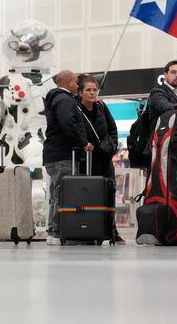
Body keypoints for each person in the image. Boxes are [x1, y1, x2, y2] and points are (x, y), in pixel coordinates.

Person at [43, 70, 93, 246]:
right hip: (63, 154)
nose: (77, 86)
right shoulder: (64, 100)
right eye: (75, 82)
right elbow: (69, 124)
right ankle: (56, 232)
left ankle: (52, 231)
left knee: (56, 193)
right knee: (62, 194)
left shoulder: (54, 99)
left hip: (53, 155)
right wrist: (83, 142)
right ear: (69, 81)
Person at [76, 74, 125, 244]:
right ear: (80, 92)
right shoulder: (76, 109)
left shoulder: (102, 107)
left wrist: (111, 146)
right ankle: (90, 229)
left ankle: (112, 230)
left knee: (109, 194)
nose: (92, 93)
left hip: (104, 158)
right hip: (87, 161)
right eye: (88, 90)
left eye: (94, 90)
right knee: (90, 196)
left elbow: (112, 129)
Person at [147, 60, 177, 127]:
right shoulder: (157, 92)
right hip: (163, 136)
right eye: (173, 72)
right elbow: (164, 106)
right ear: (165, 75)